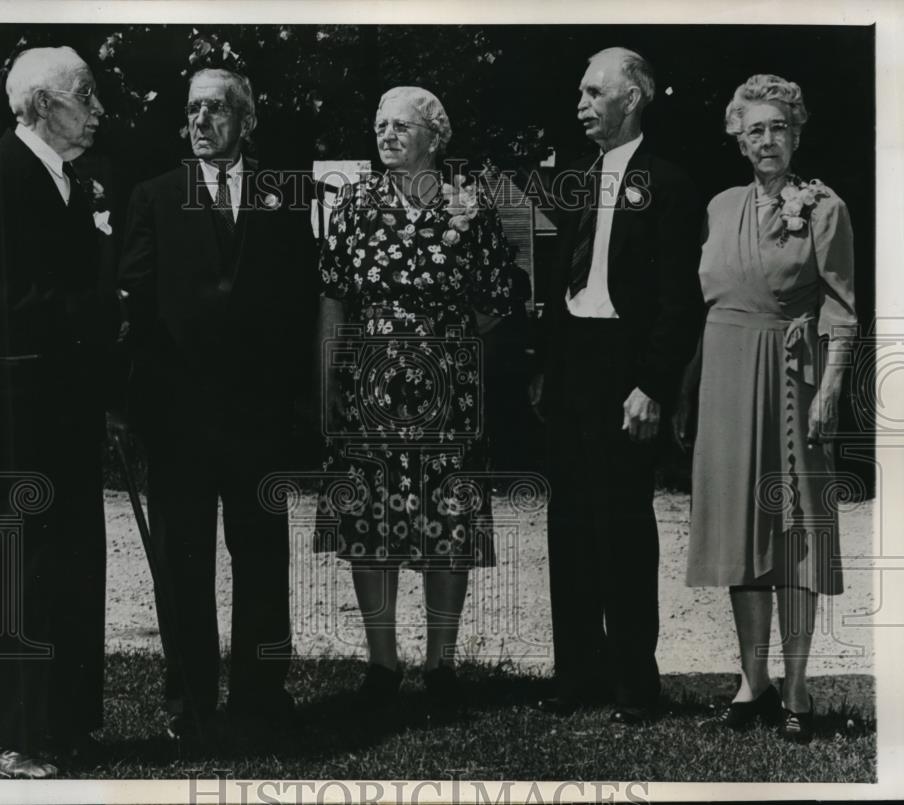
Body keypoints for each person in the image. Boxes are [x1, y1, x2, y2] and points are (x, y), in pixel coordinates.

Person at [117, 67, 318, 749]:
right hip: (178, 421)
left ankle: (263, 697)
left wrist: (295, 404)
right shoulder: (154, 196)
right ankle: (190, 703)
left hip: (259, 420)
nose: (200, 121)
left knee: (262, 559)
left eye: (215, 110)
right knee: (184, 563)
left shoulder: (284, 199)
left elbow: (298, 308)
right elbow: (135, 301)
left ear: (245, 119)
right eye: (192, 110)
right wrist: (133, 397)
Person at [314, 86, 526, 706]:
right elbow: (333, 294)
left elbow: (494, 302)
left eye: (401, 126)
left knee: (446, 516)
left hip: (446, 383)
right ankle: (382, 665)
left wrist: (440, 337)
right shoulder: (353, 204)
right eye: (379, 125)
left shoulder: (471, 206)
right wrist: (329, 376)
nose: (386, 135)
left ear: (435, 136)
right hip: (370, 378)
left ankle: (441, 664)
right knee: (371, 518)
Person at [0, 46, 121, 778]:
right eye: (87, 95)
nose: (99, 109)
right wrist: (101, 309)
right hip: (22, 409)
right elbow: (1, 306)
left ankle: (65, 724)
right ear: (46, 103)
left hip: (71, 404)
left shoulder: (73, 184)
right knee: (26, 565)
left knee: (76, 559)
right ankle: (5, 734)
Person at [679, 74, 856, 745]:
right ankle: (752, 682)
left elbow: (842, 307)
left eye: (779, 127)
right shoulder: (719, 207)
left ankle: (799, 685)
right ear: (737, 136)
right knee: (738, 529)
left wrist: (832, 387)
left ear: (798, 132)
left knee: (794, 529)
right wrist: (691, 383)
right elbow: (709, 302)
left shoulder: (824, 206)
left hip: (793, 374)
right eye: (755, 129)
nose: (768, 140)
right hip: (724, 371)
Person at [530, 47, 703, 724]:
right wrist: (545, 368)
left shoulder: (670, 182)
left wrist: (653, 385)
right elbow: (555, 281)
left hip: (629, 372)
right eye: (579, 92)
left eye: (593, 92)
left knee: (625, 527)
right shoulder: (574, 177)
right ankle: (575, 674)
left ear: (633, 98)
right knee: (568, 525)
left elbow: (677, 300)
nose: (581, 103)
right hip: (572, 364)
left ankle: (635, 681)